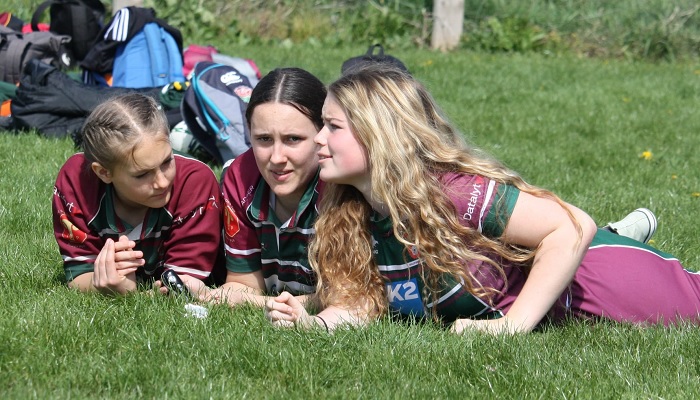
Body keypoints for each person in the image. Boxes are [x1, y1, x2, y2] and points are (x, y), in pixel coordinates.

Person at [265, 65, 700, 334]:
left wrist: (512, 327)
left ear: (379, 135)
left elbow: (571, 227)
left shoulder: (452, 192)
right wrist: (315, 323)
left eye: (333, 127)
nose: (318, 140)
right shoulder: (351, 211)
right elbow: (367, 301)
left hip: (612, 287)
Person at [182, 67, 327, 308]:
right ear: (249, 132)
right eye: (264, 139)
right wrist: (211, 296)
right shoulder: (239, 177)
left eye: (293, 139)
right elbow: (244, 284)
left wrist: (260, 304)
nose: (277, 157)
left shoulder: (339, 184)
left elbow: (346, 297)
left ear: (323, 134)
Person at [52, 93, 223, 295]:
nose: (162, 182)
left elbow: (183, 286)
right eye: (142, 175)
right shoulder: (76, 182)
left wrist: (135, 293)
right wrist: (112, 284)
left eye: (167, 161)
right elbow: (79, 274)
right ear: (104, 173)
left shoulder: (194, 182)